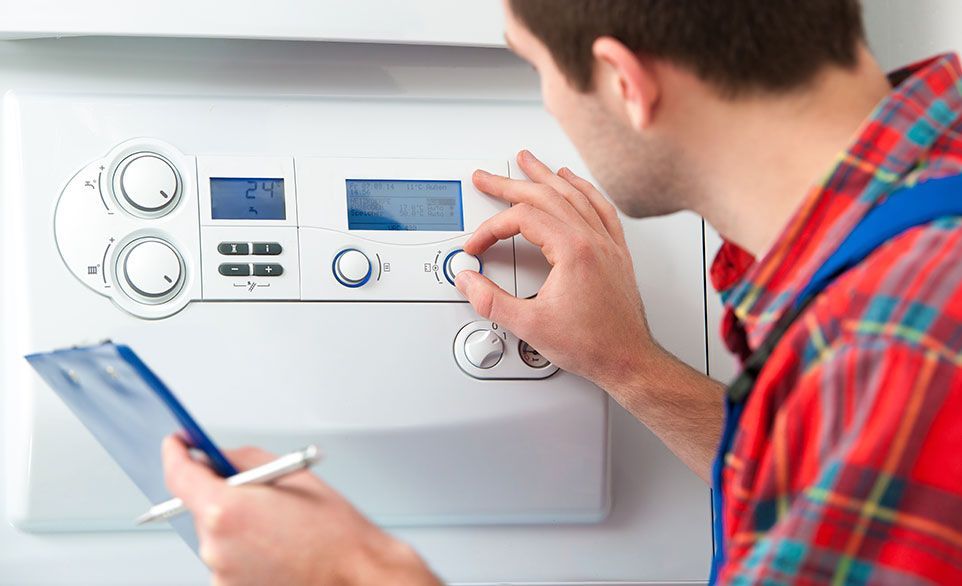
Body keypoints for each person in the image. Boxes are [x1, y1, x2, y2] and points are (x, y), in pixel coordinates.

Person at [162, 0, 962, 583]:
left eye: (534, 64)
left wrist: (356, 574)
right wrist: (628, 366)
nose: (547, 98)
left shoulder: (892, 341)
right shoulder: (913, 237)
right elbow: (834, 473)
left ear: (623, 81)